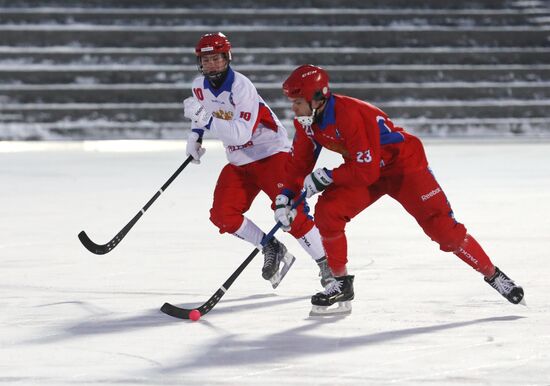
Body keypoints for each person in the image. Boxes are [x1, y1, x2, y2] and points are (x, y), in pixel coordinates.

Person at [274, 64, 525, 313]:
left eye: (297, 102)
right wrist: (285, 196)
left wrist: (327, 176)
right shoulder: (307, 121)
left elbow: (365, 171)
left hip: (403, 167)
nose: (293, 108)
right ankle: (340, 283)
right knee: (329, 212)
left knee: (444, 231)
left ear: (318, 98)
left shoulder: (349, 114)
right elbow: (299, 164)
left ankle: (494, 275)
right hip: (367, 167)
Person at [182, 33, 333, 288]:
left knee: (291, 214)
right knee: (222, 215)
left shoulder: (241, 87)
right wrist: (195, 135)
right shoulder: (199, 86)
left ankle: (328, 266)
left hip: (271, 154)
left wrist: (206, 121)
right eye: (206, 60)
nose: (212, 65)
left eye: (217, 59)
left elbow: (240, 131)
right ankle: (270, 246)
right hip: (239, 160)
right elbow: (202, 111)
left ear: (227, 58)